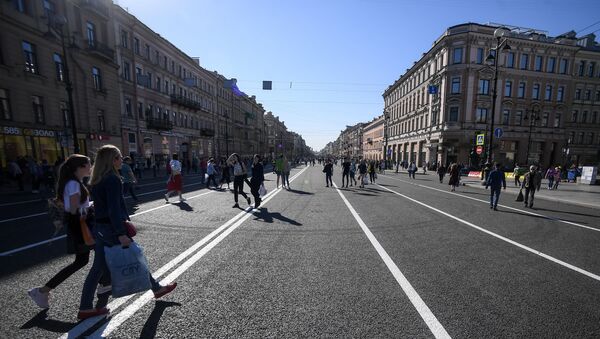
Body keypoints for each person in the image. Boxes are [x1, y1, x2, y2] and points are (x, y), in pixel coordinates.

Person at [78, 145, 176, 320]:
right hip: (112, 229)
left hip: (100, 228)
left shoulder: (97, 179)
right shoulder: (113, 179)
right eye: (119, 157)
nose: (122, 160)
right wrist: (121, 233)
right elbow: (114, 209)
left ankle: (85, 307)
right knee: (135, 257)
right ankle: (157, 288)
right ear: (112, 160)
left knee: (98, 268)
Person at [28, 155, 110, 310]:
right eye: (88, 164)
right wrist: (91, 207)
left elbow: (75, 206)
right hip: (80, 226)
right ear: (79, 167)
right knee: (96, 255)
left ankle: (42, 291)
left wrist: (88, 204)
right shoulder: (73, 184)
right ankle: (104, 284)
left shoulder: (74, 182)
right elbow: (73, 209)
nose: (91, 167)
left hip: (79, 224)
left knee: (86, 259)